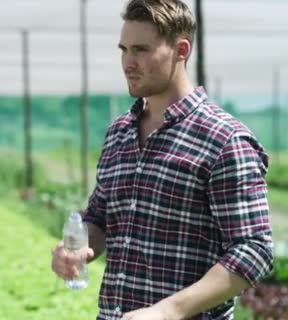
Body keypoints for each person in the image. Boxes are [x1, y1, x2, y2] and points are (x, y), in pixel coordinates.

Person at [51, 1, 273, 319]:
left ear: (181, 50)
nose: (128, 62)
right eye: (124, 49)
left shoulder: (224, 140)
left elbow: (254, 249)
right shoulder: (119, 132)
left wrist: (168, 311)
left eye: (141, 49)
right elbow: (100, 217)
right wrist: (78, 249)